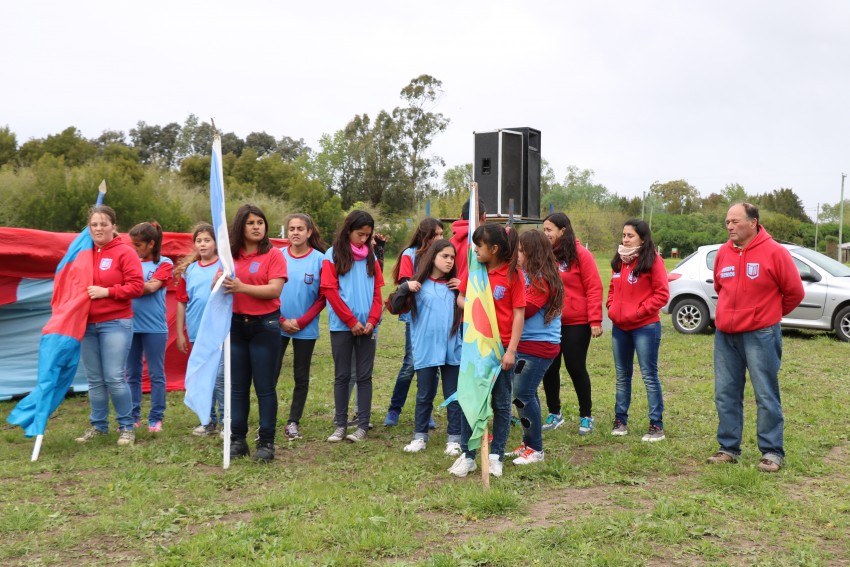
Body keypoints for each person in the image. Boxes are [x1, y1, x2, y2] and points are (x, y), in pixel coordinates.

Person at [707, 202, 804, 473]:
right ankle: (728, 448)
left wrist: (768, 315)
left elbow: (795, 292)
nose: (729, 226)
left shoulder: (775, 252)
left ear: (753, 223)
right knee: (725, 393)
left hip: (761, 334)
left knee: (765, 393)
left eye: (735, 221)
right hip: (726, 335)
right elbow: (720, 286)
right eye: (727, 222)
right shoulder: (723, 253)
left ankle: (772, 452)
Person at [449, 224, 525, 478]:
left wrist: (511, 351)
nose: (475, 250)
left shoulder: (513, 275)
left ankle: (496, 456)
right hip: (476, 349)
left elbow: (518, 314)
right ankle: (468, 456)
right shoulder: (475, 271)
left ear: (494, 249)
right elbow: (461, 298)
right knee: (470, 399)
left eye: (479, 246)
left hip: (501, 350)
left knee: (501, 404)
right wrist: (476, 305)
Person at [75, 205, 144, 446]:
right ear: (88, 228)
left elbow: (137, 286)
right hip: (87, 324)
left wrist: (107, 292)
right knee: (95, 379)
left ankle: (126, 427)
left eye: (104, 224)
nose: (99, 228)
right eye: (94, 224)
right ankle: (98, 425)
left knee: (114, 377)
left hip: (116, 322)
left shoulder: (125, 252)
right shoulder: (83, 252)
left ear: (114, 226)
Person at [224, 204, 287, 463]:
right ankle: (238, 440)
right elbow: (220, 284)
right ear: (241, 226)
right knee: (238, 387)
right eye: (251, 223)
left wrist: (242, 287)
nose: (256, 227)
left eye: (260, 222)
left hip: (265, 327)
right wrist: (219, 281)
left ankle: (266, 442)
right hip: (236, 326)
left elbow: (274, 290)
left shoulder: (274, 255)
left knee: (264, 387)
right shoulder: (230, 256)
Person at [389, 239, 463, 456]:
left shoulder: (455, 287)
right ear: (433, 257)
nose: (449, 261)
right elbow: (394, 307)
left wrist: (464, 289)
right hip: (426, 347)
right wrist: (405, 287)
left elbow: (474, 310)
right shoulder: (417, 285)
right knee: (424, 394)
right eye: (444, 256)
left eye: (452, 257)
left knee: (453, 395)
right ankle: (419, 436)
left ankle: (454, 439)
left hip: (452, 348)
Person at [321, 210, 384, 443]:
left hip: (367, 328)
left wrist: (372, 320)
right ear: (348, 231)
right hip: (342, 327)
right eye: (360, 234)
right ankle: (340, 425)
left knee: (364, 377)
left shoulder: (371, 257)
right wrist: (351, 321)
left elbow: (377, 292)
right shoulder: (332, 255)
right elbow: (330, 291)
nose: (364, 239)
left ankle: (362, 426)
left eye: (368, 235)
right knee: (342, 375)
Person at [606, 219, 670, 441]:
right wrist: (611, 307)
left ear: (642, 239)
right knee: (622, 376)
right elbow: (612, 288)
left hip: (645, 327)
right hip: (620, 327)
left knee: (649, 375)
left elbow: (662, 294)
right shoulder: (619, 260)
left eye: (630, 235)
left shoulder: (653, 260)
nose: (625, 239)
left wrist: (640, 311)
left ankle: (656, 425)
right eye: (624, 235)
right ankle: (620, 420)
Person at [540, 212, 604, 434]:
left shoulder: (581, 254)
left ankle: (586, 415)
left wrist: (595, 319)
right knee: (550, 367)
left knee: (575, 367)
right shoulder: (545, 254)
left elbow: (594, 287)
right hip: (550, 321)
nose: (545, 234)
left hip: (576, 322)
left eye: (549, 230)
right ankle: (554, 413)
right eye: (544, 230)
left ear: (562, 231)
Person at [507, 230, 564, 465]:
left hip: (539, 346)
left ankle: (535, 449)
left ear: (534, 252)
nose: (517, 255)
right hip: (526, 344)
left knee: (522, 395)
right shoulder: (527, 275)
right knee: (525, 394)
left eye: (521, 251)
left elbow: (526, 308)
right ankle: (528, 442)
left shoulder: (542, 279)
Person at [384, 217, 444, 428]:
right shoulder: (409, 255)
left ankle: (426, 412)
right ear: (425, 235)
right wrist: (413, 284)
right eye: (436, 234)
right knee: (411, 364)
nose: (440, 238)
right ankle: (394, 409)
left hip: (436, 318)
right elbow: (404, 284)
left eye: (442, 234)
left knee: (432, 366)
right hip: (416, 318)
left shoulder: (441, 255)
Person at [277, 213, 326, 441]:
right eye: (292, 229)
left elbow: (323, 297)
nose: (295, 232)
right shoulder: (277, 256)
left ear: (309, 232)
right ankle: (267, 421)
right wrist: (281, 320)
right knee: (270, 374)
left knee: (301, 375)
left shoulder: (319, 259)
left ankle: (293, 422)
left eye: (300, 229)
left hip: (305, 328)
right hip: (276, 324)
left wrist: (302, 321)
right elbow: (268, 291)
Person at [174, 223, 224, 437]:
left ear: (216, 243)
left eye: (207, 240)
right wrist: (180, 333)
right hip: (196, 332)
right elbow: (181, 302)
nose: (203, 244)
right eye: (199, 241)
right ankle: (208, 421)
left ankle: (226, 421)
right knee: (203, 378)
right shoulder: (190, 271)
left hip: (220, 332)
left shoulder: (224, 266)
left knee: (220, 378)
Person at [126, 221, 173, 433]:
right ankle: (133, 416)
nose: (134, 249)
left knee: (156, 374)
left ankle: (156, 417)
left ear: (151, 244)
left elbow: (152, 287)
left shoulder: (165, 263)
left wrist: (125, 287)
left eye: (138, 245)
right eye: (132, 244)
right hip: (129, 325)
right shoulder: (129, 262)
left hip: (154, 328)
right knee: (132, 374)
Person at [449, 199, 486, 283]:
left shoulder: (450, 242)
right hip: (476, 289)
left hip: (451, 288)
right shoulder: (485, 241)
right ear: (484, 216)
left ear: (461, 216)